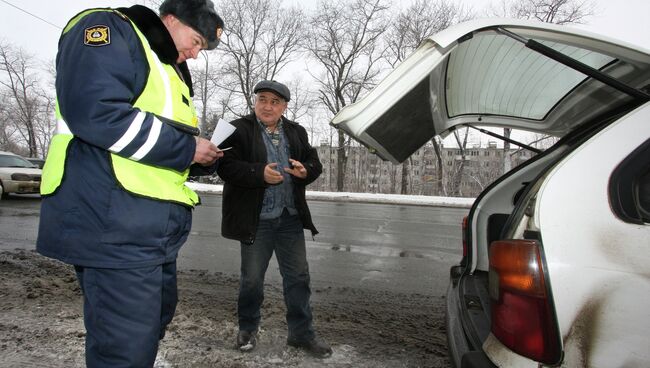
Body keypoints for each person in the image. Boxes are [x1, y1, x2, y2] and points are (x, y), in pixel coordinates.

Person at [36, 1, 224, 366]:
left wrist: (198, 158)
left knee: (148, 331)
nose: (196, 54)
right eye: (196, 40)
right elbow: (97, 113)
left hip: (148, 232)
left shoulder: (166, 67)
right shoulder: (111, 29)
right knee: (124, 351)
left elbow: (149, 151)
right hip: (112, 225)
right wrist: (186, 148)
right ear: (171, 19)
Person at [216, 80, 332, 358]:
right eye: (263, 100)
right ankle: (247, 329)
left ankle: (301, 334)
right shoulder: (237, 130)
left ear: (284, 106)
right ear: (255, 102)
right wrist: (259, 174)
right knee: (252, 279)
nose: (267, 106)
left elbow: (314, 162)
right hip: (256, 220)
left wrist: (307, 172)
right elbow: (224, 167)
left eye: (275, 102)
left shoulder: (296, 131)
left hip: (290, 218)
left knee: (298, 278)